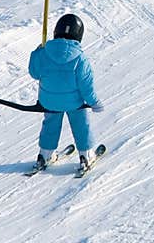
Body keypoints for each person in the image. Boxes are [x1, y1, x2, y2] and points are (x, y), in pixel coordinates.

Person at [28, 13, 103, 172]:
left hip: (48, 101)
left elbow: (34, 73)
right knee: (81, 125)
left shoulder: (44, 52)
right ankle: (86, 156)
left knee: (50, 124)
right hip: (74, 103)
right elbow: (86, 86)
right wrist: (94, 102)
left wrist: (37, 51)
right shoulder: (80, 58)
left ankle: (45, 155)